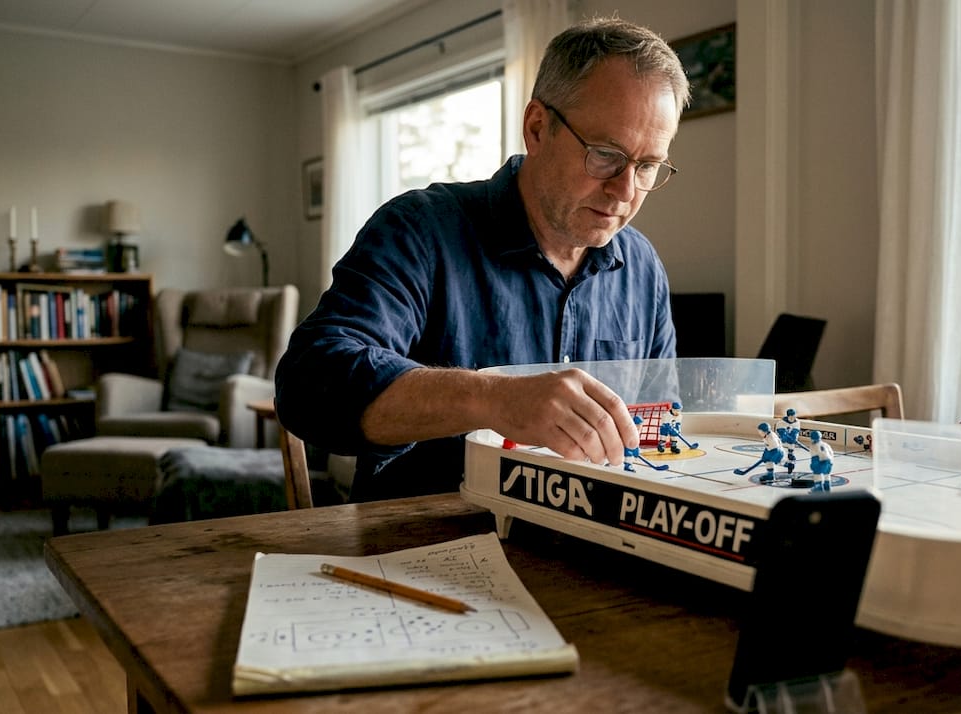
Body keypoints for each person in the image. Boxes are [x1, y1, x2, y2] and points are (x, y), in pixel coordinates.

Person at [275, 18, 691, 501]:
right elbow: (309, 384)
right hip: (424, 545)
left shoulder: (641, 267)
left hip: (588, 550)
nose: (624, 190)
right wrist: (493, 398)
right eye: (604, 155)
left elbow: (660, 429)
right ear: (537, 129)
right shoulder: (421, 228)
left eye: (647, 167)